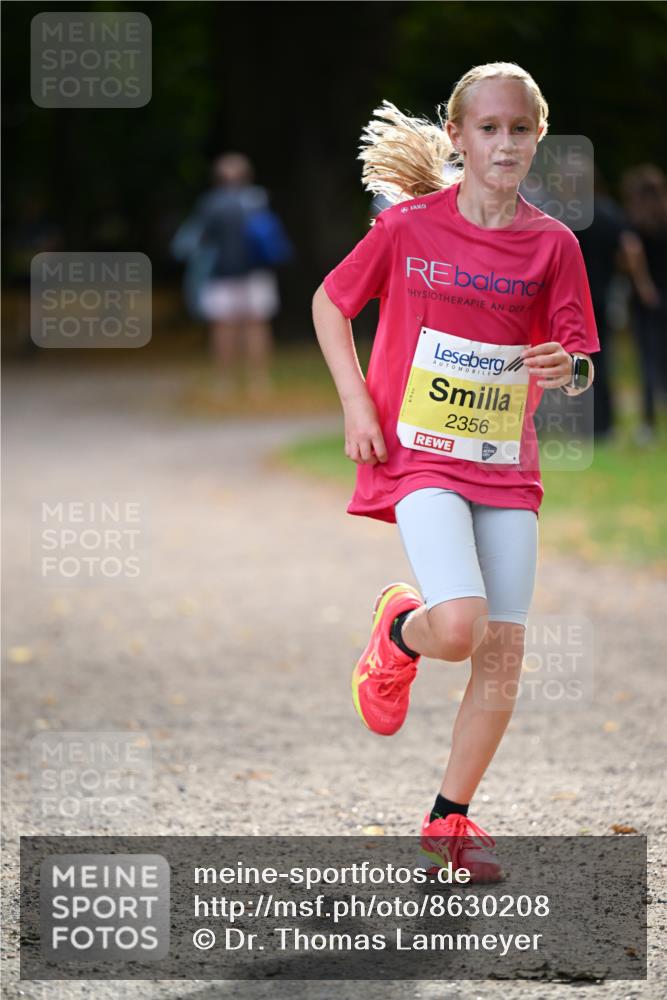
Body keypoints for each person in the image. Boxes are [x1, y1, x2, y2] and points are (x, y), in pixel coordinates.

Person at [312, 63, 599, 882]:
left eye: (519, 129)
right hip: (419, 455)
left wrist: (567, 368)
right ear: (457, 136)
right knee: (459, 624)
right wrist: (356, 405)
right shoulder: (407, 228)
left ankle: (449, 819)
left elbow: (580, 360)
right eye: (488, 128)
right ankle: (399, 629)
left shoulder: (553, 245)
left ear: (538, 136)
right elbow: (330, 303)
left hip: (503, 463)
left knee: (501, 652)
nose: (504, 143)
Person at [171, 152, 288, 398]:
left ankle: (225, 382)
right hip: (257, 273)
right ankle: (259, 382)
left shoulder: (210, 204)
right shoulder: (258, 199)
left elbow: (192, 241)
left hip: (220, 274)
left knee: (224, 327)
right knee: (257, 326)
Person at [620, 164, 667, 445]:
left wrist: (643, 286)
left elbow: (632, 254)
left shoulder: (636, 221)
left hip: (646, 300)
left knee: (648, 359)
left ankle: (648, 423)